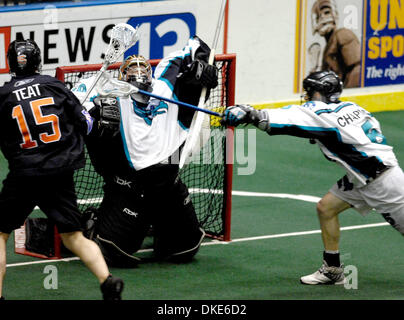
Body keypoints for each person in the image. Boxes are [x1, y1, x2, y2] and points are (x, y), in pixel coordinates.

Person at [221, 70, 404, 285]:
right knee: (326, 208)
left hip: (384, 184)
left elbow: (285, 117)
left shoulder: (319, 114)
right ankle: (333, 270)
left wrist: (249, 113)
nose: (307, 96)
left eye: (311, 91)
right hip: (363, 175)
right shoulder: (352, 107)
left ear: (321, 92)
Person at [72, 36, 218, 267]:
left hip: (167, 187)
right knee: (113, 254)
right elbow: (75, 102)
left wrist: (202, 67)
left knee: (186, 249)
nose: (138, 71)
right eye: (131, 68)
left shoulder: (165, 88)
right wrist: (94, 109)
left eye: (143, 67)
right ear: (121, 75)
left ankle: (159, 227)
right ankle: (93, 223)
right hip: (130, 189)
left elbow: (197, 46)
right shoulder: (109, 92)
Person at [0, 39, 124, 300]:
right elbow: (87, 126)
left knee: (0, 234)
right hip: (59, 174)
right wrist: (90, 111)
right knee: (73, 236)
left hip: (24, 175)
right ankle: (107, 281)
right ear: (37, 62)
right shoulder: (55, 87)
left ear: (10, 63)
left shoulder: (3, 96)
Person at [310, 0, 361, 88]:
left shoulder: (342, 34)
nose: (322, 17)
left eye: (326, 12)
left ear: (334, 15)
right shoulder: (327, 48)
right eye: (318, 16)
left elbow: (357, 68)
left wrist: (348, 93)